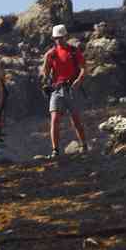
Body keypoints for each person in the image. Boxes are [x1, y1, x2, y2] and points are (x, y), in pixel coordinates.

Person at [41, 24, 89, 159]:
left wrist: (78, 81)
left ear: (66, 37)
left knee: (76, 120)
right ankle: (55, 150)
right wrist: (45, 66)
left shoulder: (74, 51)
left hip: (71, 89)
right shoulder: (51, 54)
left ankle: (84, 145)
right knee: (54, 119)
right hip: (57, 89)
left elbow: (84, 68)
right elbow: (45, 73)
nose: (59, 40)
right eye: (56, 38)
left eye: (61, 37)